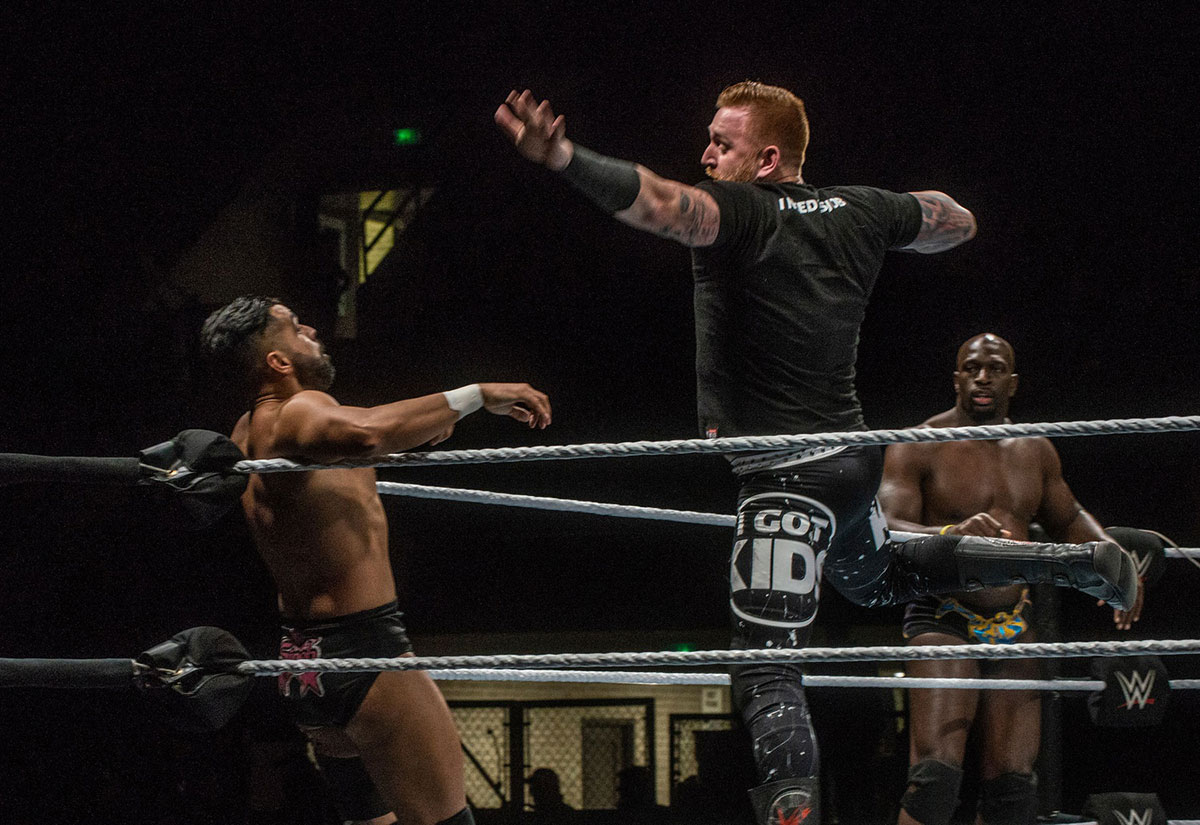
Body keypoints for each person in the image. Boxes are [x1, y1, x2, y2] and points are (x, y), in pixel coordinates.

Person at [495, 84, 1138, 825]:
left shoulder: (741, 211)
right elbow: (954, 220)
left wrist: (565, 157)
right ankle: (1072, 564)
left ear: (768, 158)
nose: (706, 154)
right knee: (880, 577)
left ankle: (790, 804)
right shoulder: (860, 208)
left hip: (785, 480)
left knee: (765, 656)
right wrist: (908, 223)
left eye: (722, 143)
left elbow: (664, 205)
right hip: (849, 464)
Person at [199, 296, 552, 825]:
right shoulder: (299, 411)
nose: (312, 329)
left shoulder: (247, 433)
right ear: (277, 361)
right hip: (365, 654)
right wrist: (479, 394)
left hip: (304, 663)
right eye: (295, 326)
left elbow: (350, 451)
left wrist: (413, 434)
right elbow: (365, 432)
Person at [878, 333, 1142, 825]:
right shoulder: (918, 445)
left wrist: (1118, 564)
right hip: (943, 615)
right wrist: (948, 533)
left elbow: (1069, 517)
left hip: (1014, 622)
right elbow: (889, 526)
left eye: (995, 368)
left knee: (1013, 789)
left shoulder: (1035, 450)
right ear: (956, 377)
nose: (983, 377)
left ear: (1012, 382)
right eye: (972, 367)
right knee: (934, 779)